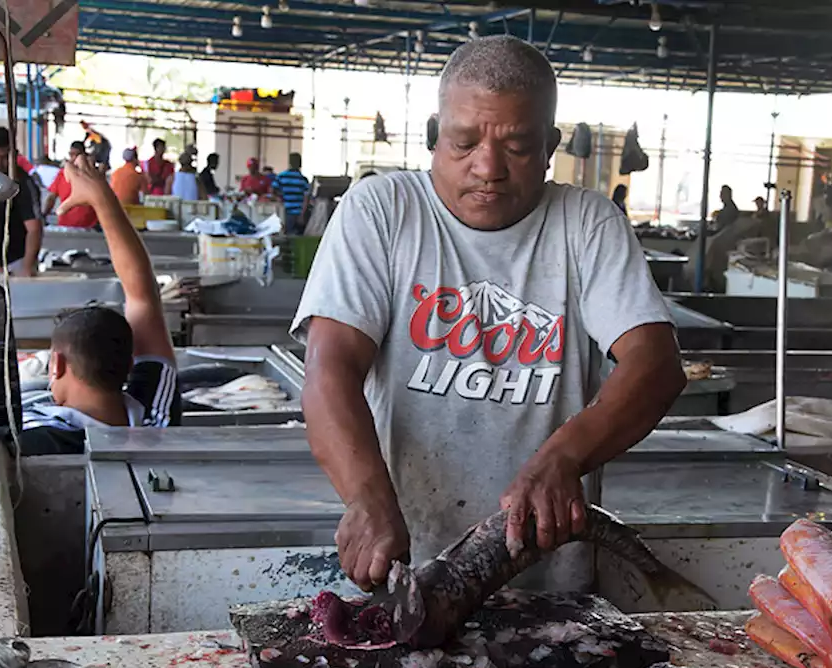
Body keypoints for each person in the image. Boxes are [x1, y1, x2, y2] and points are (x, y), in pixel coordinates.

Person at [292, 35, 684, 593]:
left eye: (518, 146)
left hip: (549, 578)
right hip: (408, 570)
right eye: (464, 141)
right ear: (433, 136)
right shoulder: (381, 211)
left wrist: (564, 457)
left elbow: (655, 365)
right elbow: (329, 367)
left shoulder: (586, 223)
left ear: (549, 145)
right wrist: (366, 495)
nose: (488, 167)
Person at [19, 153, 180, 455]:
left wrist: (100, 197)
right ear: (130, 365)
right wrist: (102, 197)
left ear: (57, 365)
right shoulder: (156, 417)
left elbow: (142, 296)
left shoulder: (31, 437)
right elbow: (143, 295)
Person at [0, 126, 42, 277]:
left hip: (16, 264)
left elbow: (34, 229)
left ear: (14, 154)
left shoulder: (23, 184)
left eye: (4, 157)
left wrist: (27, 267)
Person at [44, 141, 100, 230]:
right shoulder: (62, 174)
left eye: (76, 155)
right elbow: (52, 197)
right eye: (71, 154)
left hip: (89, 227)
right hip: (66, 226)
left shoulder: (92, 175)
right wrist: (44, 215)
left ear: (84, 156)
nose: (73, 158)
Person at [275, 152, 312, 234]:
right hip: (299, 212)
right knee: (298, 236)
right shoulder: (303, 179)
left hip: (286, 211)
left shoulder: (281, 177)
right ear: (300, 164)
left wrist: (280, 198)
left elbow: (273, 190)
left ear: (289, 163)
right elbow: (306, 198)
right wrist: (302, 214)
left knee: (287, 235)